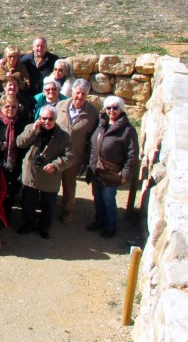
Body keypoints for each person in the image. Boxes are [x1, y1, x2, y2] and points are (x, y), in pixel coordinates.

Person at [16, 106, 73, 239]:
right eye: (44, 118)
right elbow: (20, 143)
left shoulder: (64, 136)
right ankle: (28, 225)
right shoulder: (31, 127)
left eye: (50, 119)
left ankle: (44, 227)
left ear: (55, 119)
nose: (47, 121)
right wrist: (33, 131)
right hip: (31, 173)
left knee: (48, 205)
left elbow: (70, 157)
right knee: (28, 203)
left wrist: (56, 165)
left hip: (50, 175)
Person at [87, 96, 139, 238]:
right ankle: (99, 221)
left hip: (112, 172)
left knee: (108, 199)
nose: (111, 111)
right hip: (97, 169)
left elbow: (132, 154)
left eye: (115, 108)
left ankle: (110, 226)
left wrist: (125, 175)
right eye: (108, 108)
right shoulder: (102, 124)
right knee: (97, 197)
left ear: (121, 109)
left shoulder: (128, 130)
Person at [54, 78, 100, 224]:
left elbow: (92, 139)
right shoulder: (60, 105)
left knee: (69, 186)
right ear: (72, 91)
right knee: (51, 184)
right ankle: (48, 210)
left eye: (84, 94)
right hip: (56, 154)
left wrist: (87, 160)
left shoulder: (92, 113)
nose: (80, 96)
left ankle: (67, 212)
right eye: (78, 93)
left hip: (75, 156)